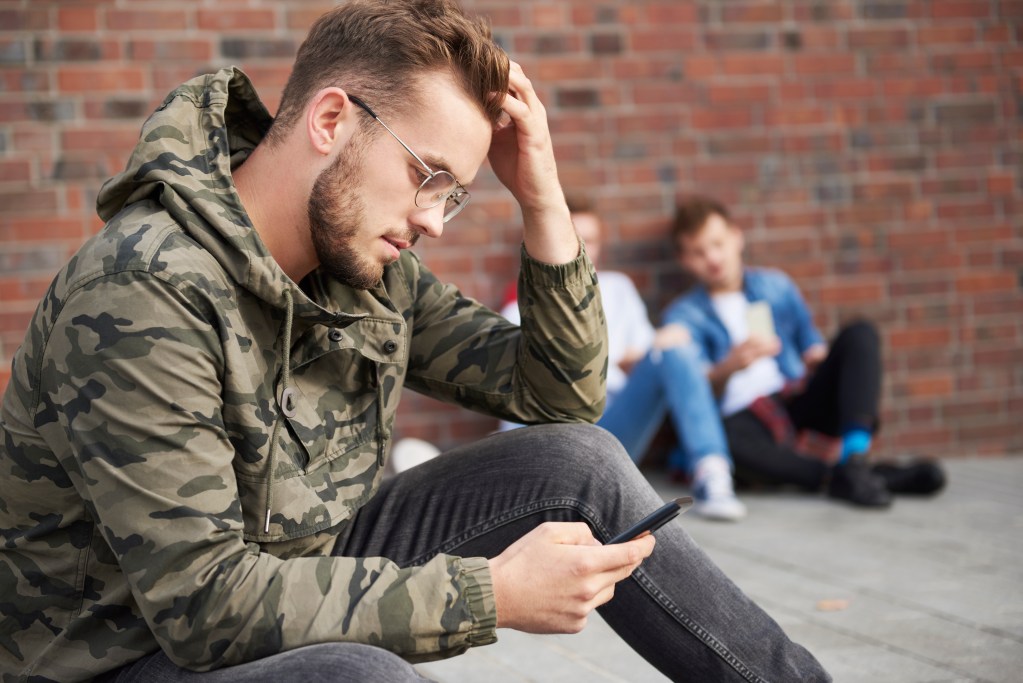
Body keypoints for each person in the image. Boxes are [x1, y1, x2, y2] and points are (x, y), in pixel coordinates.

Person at [0, 3, 830, 681]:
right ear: (331, 119)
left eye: (457, 194)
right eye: (429, 176)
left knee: (578, 462)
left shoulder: (363, 266)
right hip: (124, 653)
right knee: (359, 678)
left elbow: (559, 396)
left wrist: (539, 193)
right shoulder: (146, 288)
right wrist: (490, 593)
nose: (434, 219)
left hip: (299, 565)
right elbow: (205, 605)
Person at [656, 196, 945, 508]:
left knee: (860, 334)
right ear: (684, 260)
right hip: (742, 420)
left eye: (718, 243)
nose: (713, 258)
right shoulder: (682, 316)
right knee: (728, 447)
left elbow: (812, 343)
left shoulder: (776, 286)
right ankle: (857, 476)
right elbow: (695, 402)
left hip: (795, 398)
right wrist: (730, 366)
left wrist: (819, 360)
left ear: (736, 237)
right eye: (699, 252)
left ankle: (856, 458)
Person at [500, 198, 744, 521]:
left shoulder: (618, 289)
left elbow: (649, 355)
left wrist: (647, 353)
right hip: (561, 440)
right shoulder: (517, 308)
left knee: (675, 346)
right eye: (572, 235)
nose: (583, 247)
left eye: (592, 239)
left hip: (615, 425)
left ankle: (712, 473)